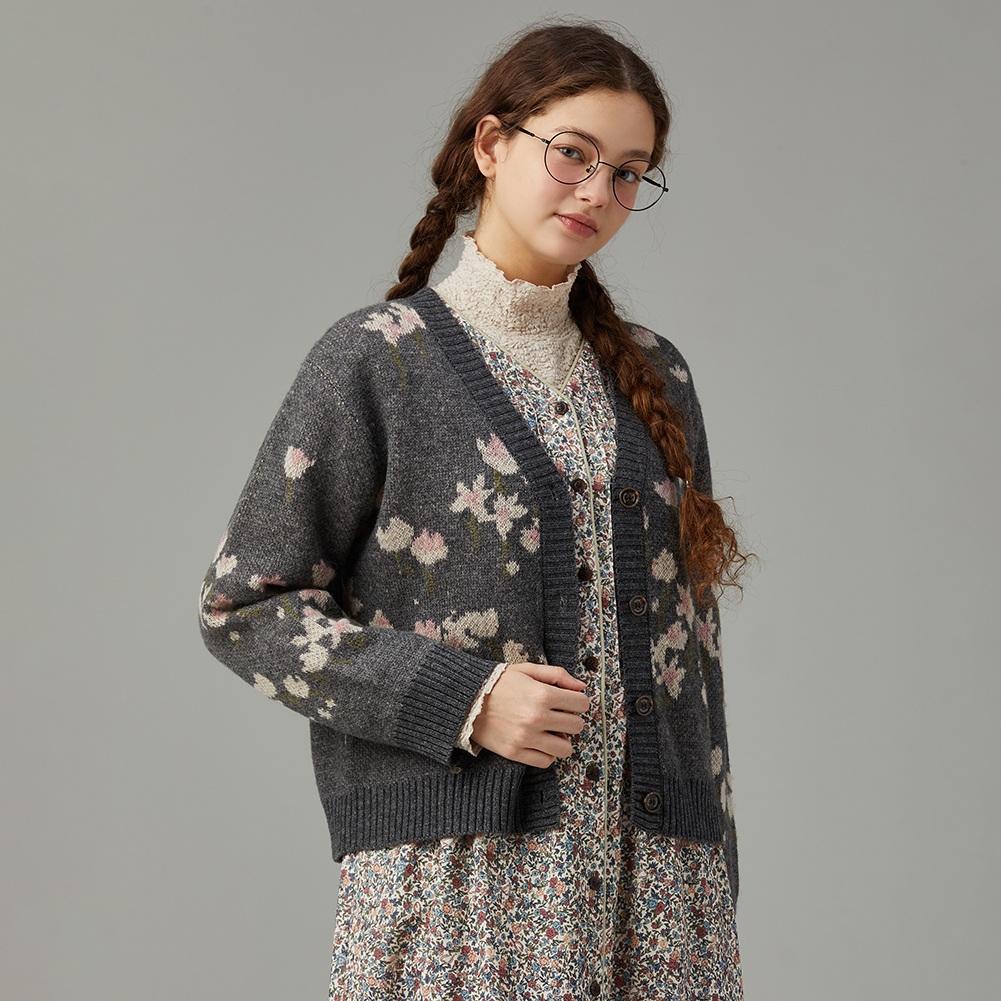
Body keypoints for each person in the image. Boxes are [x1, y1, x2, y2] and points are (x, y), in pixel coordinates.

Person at [199, 20, 748, 1001]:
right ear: (491, 144)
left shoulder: (656, 375)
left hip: (658, 894)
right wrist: (465, 697)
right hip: (462, 888)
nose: (597, 191)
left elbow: (693, 651)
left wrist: (711, 872)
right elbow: (243, 610)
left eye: (628, 172)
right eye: (572, 152)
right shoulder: (376, 360)